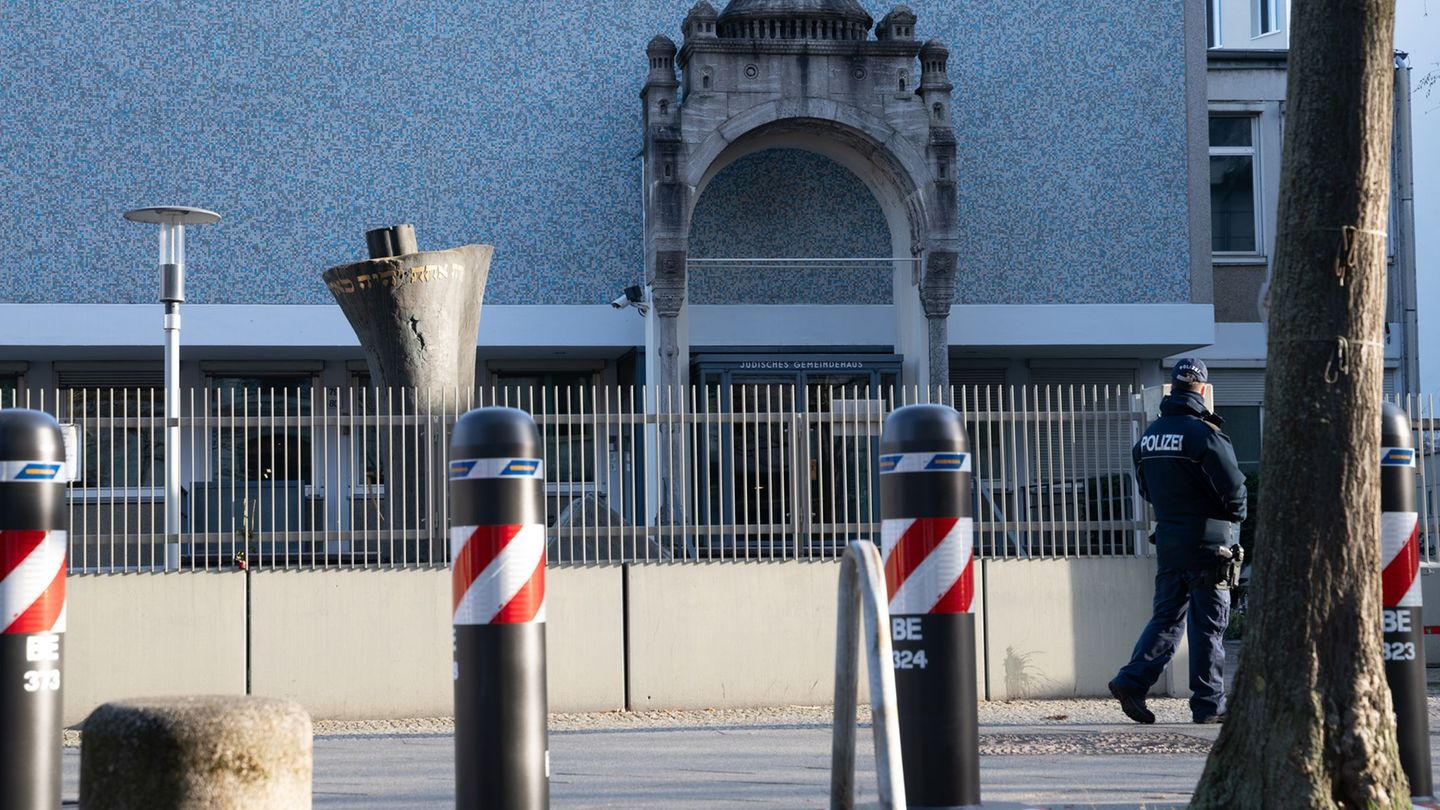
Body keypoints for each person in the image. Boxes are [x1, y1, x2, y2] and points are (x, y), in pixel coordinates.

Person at [1109, 358, 1247, 725]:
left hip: (1170, 541)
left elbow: (1147, 491)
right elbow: (1234, 490)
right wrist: (1235, 518)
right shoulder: (1205, 434)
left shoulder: (1147, 439)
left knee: (1167, 618)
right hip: (1209, 544)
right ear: (1201, 389)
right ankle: (1208, 705)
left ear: (1173, 388)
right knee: (1209, 625)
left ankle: (1131, 681)